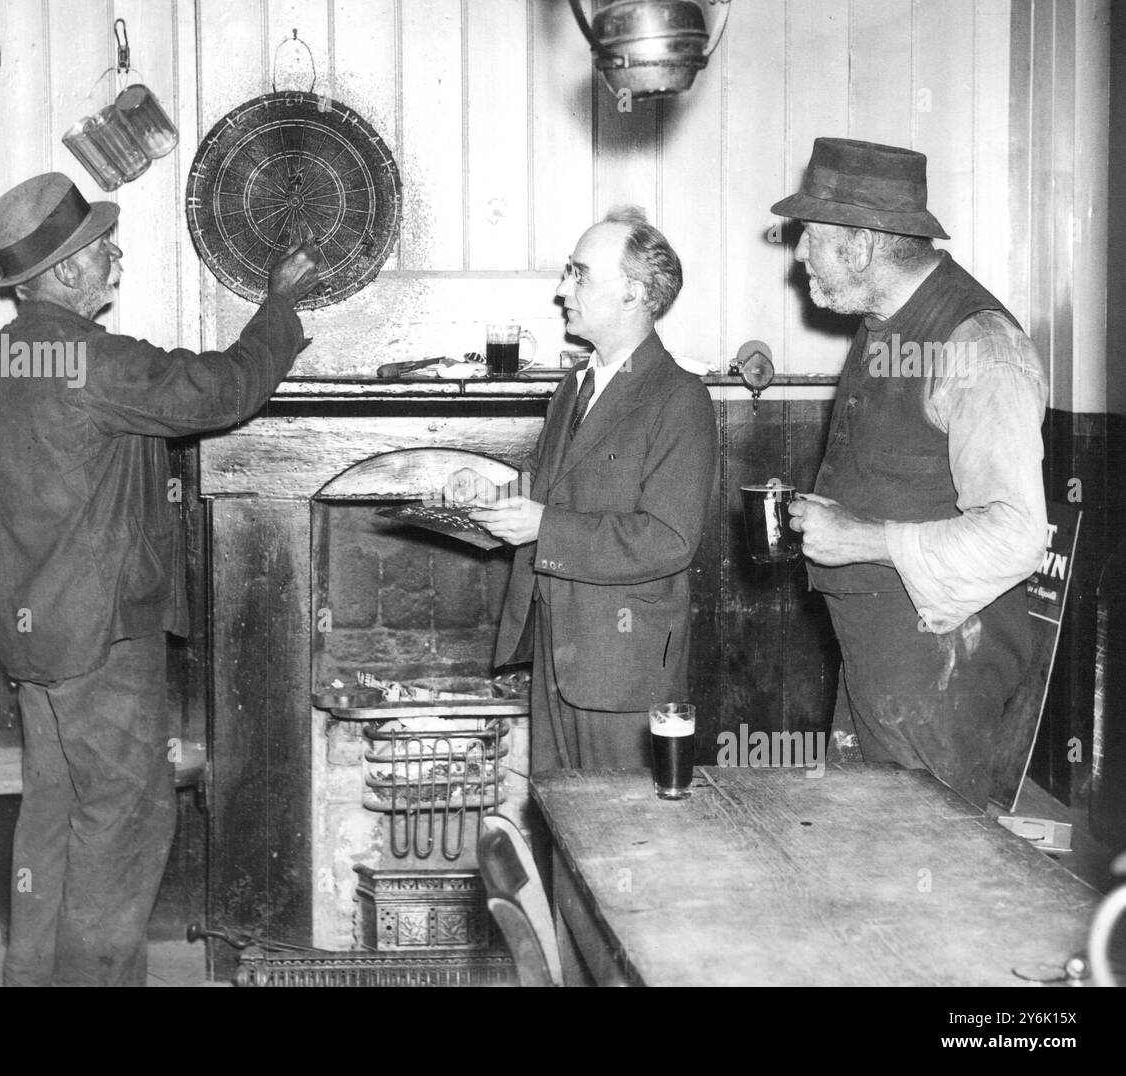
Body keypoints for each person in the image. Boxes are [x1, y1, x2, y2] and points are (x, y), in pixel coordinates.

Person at [0, 172, 318, 986]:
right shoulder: (88, 359)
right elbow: (221, 390)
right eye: (102, 248)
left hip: (31, 644)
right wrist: (281, 306)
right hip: (102, 644)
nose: (116, 257)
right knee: (122, 831)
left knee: (50, 819)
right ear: (68, 272)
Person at [771, 137, 1048, 809]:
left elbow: (1018, 536)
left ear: (862, 245)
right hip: (880, 671)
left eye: (811, 235)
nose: (799, 251)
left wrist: (862, 539)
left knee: (930, 890)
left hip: (941, 684)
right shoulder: (883, 324)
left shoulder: (980, 345)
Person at [447, 207, 716, 771]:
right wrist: (492, 493)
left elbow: (668, 539)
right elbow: (564, 491)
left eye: (579, 273)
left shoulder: (680, 397)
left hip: (623, 670)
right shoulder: (576, 385)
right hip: (557, 651)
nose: (562, 288)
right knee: (562, 825)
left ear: (633, 293)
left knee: (623, 839)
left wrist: (543, 526)